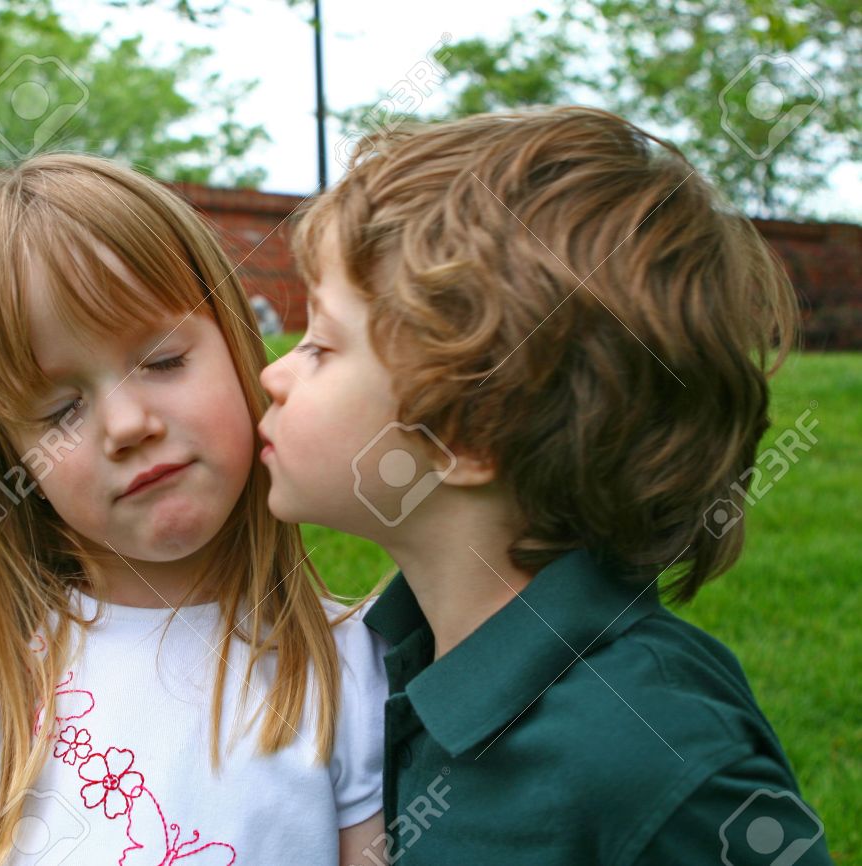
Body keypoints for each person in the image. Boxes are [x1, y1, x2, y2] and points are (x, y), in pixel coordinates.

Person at [257, 105, 833, 864]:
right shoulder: (395, 657)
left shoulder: (656, 756)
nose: (275, 373)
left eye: (323, 345)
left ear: (464, 433)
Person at [0, 152, 387, 866]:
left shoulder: (346, 673)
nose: (126, 423)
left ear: (235, 342)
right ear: (9, 460)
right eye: (60, 409)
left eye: (163, 360)